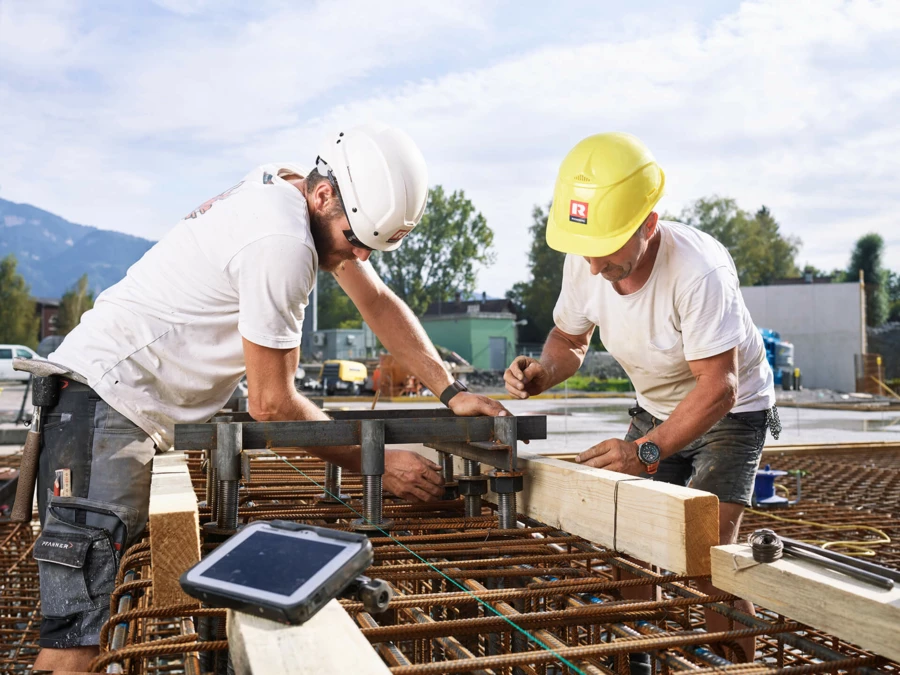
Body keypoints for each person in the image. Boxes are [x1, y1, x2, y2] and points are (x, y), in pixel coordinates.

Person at [26, 123, 509, 672]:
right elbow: (273, 404)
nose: (360, 257)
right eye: (355, 240)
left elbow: (376, 303)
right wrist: (373, 461)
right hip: (103, 410)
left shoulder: (291, 190)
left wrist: (452, 391)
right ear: (324, 195)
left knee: (99, 631)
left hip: (110, 407)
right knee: (76, 646)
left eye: (372, 246)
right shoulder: (283, 243)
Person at [504, 132, 778, 666]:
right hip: (657, 408)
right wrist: (543, 372)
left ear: (647, 225)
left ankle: (738, 666)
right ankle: (643, 663)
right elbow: (569, 339)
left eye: (604, 253)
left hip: (729, 411)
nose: (591, 268)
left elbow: (718, 387)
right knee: (632, 539)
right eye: (584, 251)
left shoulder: (700, 271)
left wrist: (645, 450)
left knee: (709, 555)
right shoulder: (588, 255)